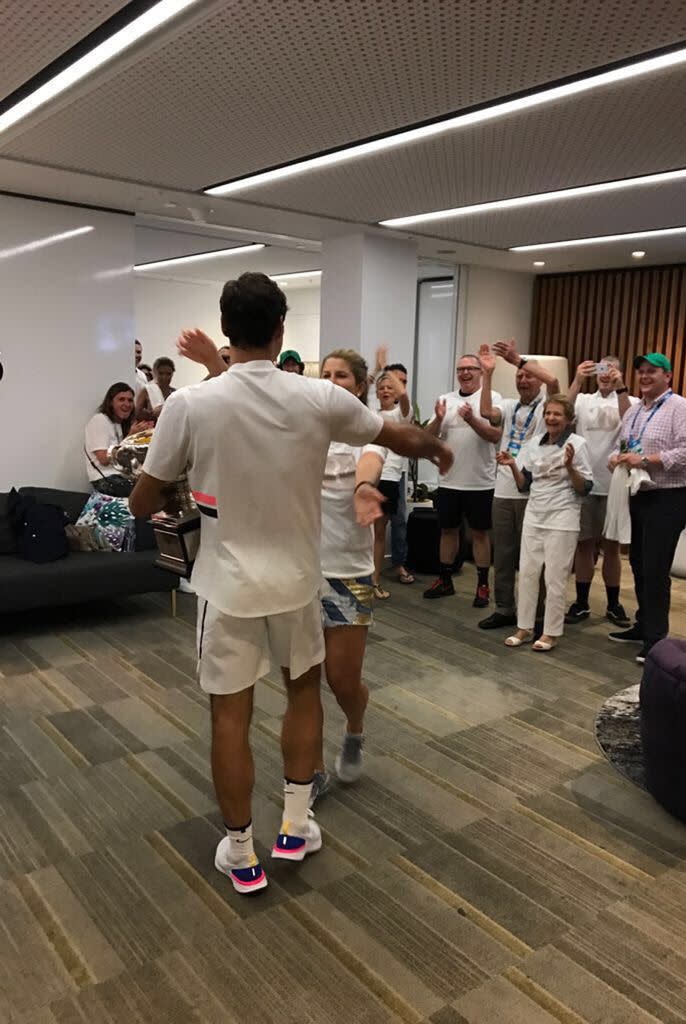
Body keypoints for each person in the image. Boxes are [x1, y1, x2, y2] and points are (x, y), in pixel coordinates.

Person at [130, 272, 452, 896]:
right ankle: (296, 827)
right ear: (280, 331)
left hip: (226, 587)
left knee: (230, 713)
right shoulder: (317, 399)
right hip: (300, 583)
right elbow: (396, 434)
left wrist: (179, 480)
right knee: (303, 692)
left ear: (226, 331)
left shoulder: (191, 405)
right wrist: (436, 448)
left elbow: (142, 502)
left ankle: (242, 853)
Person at [311, 350, 448, 802]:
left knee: (342, 680)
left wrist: (364, 487)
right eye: (325, 375)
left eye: (342, 376)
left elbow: (370, 463)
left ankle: (354, 729)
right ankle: (306, 774)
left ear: (359, 384)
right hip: (298, 572)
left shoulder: (368, 428)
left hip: (346, 574)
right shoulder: (303, 428)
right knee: (302, 680)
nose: (332, 382)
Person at [608, 353, 686, 664]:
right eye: (642, 372)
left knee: (656, 569)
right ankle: (643, 624)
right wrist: (617, 457)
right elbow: (626, 445)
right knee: (637, 562)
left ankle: (656, 640)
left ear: (668, 376)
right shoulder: (634, 411)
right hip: (638, 493)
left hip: (668, 497)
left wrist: (648, 460)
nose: (645, 376)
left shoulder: (681, 408)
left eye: (652, 371)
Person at [477, 339, 558, 630]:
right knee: (504, 553)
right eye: (519, 376)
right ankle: (504, 608)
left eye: (528, 375)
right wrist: (487, 374)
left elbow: (555, 381)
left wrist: (517, 359)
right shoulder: (509, 406)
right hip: (502, 488)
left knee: (534, 557)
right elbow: (486, 411)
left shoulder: (547, 407)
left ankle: (535, 614)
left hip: (533, 491)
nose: (523, 379)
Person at [501, 396, 593, 652]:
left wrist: (570, 467)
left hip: (563, 517)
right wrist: (511, 466)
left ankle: (551, 632)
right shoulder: (533, 444)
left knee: (555, 577)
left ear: (569, 419)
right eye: (548, 413)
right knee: (528, 573)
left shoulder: (578, 444)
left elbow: (585, 488)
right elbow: (524, 485)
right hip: (535, 514)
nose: (551, 418)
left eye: (557, 414)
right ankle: (525, 627)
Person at [564, 356, 638, 628]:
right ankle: (582, 602)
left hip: (615, 484)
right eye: (601, 369)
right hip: (584, 481)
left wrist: (621, 387)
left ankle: (613, 603)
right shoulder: (583, 399)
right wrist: (577, 379)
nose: (605, 374)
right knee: (583, 544)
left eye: (611, 369)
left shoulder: (630, 400)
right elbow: (563, 409)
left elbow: (630, 420)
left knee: (612, 547)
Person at [423, 353, 502, 607]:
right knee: (447, 531)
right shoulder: (445, 399)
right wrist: (437, 418)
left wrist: (471, 419)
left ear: (481, 372)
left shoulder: (492, 399)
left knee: (479, 533)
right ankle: (445, 580)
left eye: (471, 368)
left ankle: (482, 585)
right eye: (461, 369)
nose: (465, 373)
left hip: (480, 481)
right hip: (449, 481)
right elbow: (427, 438)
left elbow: (494, 435)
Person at [372, 370, 414, 597]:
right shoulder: (370, 413)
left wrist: (388, 374)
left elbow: (405, 397)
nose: (386, 391)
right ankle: (368, 580)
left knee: (379, 533)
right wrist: (377, 371)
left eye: (390, 388)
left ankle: (375, 581)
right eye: (382, 388)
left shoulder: (400, 414)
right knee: (367, 534)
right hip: (369, 478)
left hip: (389, 479)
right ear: (376, 393)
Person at [84, 383, 152, 484]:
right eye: (121, 399)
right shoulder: (100, 420)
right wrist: (130, 437)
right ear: (111, 402)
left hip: (122, 477)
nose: (127, 404)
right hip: (106, 479)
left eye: (130, 400)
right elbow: (103, 459)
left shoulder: (120, 424)